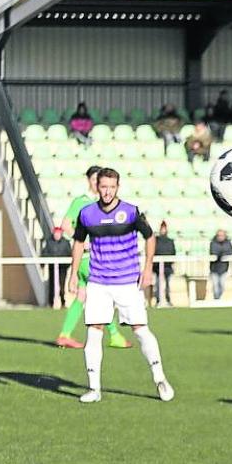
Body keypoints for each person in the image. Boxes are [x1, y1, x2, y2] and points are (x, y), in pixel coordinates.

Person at [65, 167, 173, 403]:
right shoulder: (87, 214)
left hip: (126, 282)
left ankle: (160, 378)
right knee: (94, 332)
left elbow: (150, 236)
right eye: (103, 186)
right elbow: (78, 242)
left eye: (111, 187)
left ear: (118, 188)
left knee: (140, 330)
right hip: (98, 282)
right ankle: (94, 389)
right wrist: (74, 273)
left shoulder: (131, 212)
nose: (107, 191)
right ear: (97, 186)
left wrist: (147, 269)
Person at [55, 166, 130, 350]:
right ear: (90, 180)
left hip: (84, 260)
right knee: (105, 296)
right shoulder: (83, 202)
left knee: (81, 296)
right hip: (90, 259)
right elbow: (65, 224)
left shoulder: (97, 204)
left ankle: (65, 334)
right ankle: (114, 335)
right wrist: (82, 240)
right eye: (96, 179)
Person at [40, 225, 72, 308]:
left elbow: (69, 254)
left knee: (62, 285)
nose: (57, 235)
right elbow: (44, 253)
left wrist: (67, 265)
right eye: (55, 233)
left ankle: (63, 302)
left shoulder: (65, 242)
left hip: (62, 268)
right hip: (52, 267)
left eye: (58, 233)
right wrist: (43, 264)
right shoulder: (49, 242)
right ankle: (50, 304)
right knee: (52, 286)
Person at [152, 221, 176, 307]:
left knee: (167, 285)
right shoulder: (156, 240)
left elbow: (173, 252)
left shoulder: (170, 241)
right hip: (158, 268)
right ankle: (158, 300)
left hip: (167, 267)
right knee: (158, 285)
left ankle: (168, 300)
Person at [209, 230, 232, 300]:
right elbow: (213, 252)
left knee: (222, 285)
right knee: (215, 285)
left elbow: (230, 252)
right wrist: (221, 254)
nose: (220, 237)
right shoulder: (213, 243)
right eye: (219, 235)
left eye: (222, 235)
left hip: (224, 268)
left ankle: (218, 298)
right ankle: (216, 299)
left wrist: (222, 254)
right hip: (214, 268)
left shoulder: (228, 243)